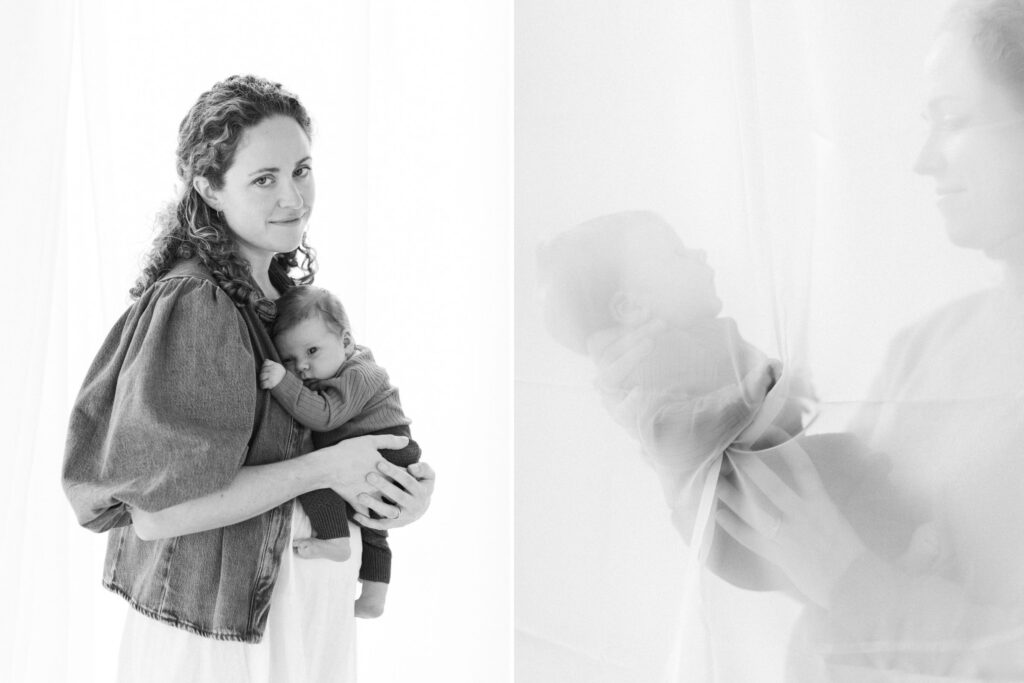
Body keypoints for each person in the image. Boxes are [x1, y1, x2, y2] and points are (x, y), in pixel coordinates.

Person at [592, 1, 1024, 678]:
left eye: (955, 118)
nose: (922, 160)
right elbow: (804, 570)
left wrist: (850, 579)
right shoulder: (929, 346)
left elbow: (839, 576)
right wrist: (687, 444)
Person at [61, 74, 435, 683]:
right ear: (208, 187)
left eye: (302, 169)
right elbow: (161, 511)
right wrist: (325, 471)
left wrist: (400, 490)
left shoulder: (281, 301)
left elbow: (343, 428)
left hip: (297, 617)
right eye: (264, 179)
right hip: (227, 643)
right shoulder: (198, 304)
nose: (293, 197)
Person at [539, 210, 915, 593]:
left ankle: (895, 553)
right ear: (632, 307)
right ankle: (903, 549)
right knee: (843, 460)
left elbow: (774, 423)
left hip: (756, 499)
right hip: (730, 523)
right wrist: (744, 399)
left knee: (841, 465)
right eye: (677, 254)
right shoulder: (649, 362)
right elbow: (670, 432)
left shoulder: (699, 341)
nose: (699, 253)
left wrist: (787, 393)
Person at [260, 284, 422, 618]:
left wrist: (282, 381)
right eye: (289, 360)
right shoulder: (339, 368)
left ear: (346, 342)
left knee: (311, 480)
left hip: (387, 448)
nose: (301, 366)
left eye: (312, 351)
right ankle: (373, 599)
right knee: (373, 528)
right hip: (384, 450)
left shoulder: (359, 373)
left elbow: (325, 415)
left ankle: (334, 539)